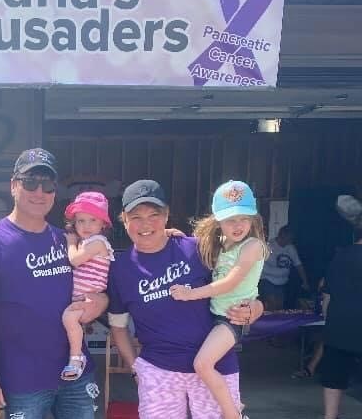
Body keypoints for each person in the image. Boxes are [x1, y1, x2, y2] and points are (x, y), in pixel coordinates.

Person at [0, 148, 107, 419]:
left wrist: (102, 302)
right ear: (13, 186)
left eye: (47, 184)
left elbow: (97, 286)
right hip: (20, 382)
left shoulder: (69, 240)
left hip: (75, 374)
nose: (39, 192)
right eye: (30, 182)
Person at [108, 179, 263, 419]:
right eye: (136, 216)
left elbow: (242, 284)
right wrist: (136, 369)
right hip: (159, 371)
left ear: (167, 215)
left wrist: (255, 308)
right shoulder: (119, 269)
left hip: (216, 366)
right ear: (124, 219)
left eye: (154, 214)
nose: (146, 224)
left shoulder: (198, 249)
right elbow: (118, 327)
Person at [170, 180, 266, 419]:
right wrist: (172, 234)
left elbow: (231, 282)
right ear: (218, 221)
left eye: (244, 218)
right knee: (206, 366)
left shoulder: (253, 245)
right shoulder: (222, 244)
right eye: (230, 219)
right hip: (217, 317)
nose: (238, 225)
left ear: (253, 218)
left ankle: (233, 415)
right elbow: (195, 244)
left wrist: (190, 293)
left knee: (202, 364)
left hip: (230, 318)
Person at [61, 191, 114, 381]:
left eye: (92, 220)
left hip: (87, 296)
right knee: (71, 321)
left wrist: (70, 243)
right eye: (81, 221)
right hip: (82, 296)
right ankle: (76, 354)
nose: (86, 226)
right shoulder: (88, 242)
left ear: (103, 224)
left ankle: (77, 357)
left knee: (69, 318)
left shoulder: (98, 242)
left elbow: (75, 260)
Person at [319, 195, 362, 419]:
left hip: (339, 328)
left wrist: (329, 323)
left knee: (334, 377)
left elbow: (327, 295)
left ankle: (330, 416)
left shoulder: (340, 257)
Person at [260, 225, 310, 311]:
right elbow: (259, 265)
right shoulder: (268, 246)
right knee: (271, 307)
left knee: (279, 308)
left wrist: (305, 281)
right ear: (282, 235)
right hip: (267, 281)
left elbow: (299, 266)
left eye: (291, 238)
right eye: (289, 238)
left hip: (282, 283)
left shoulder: (291, 248)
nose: (290, 240)